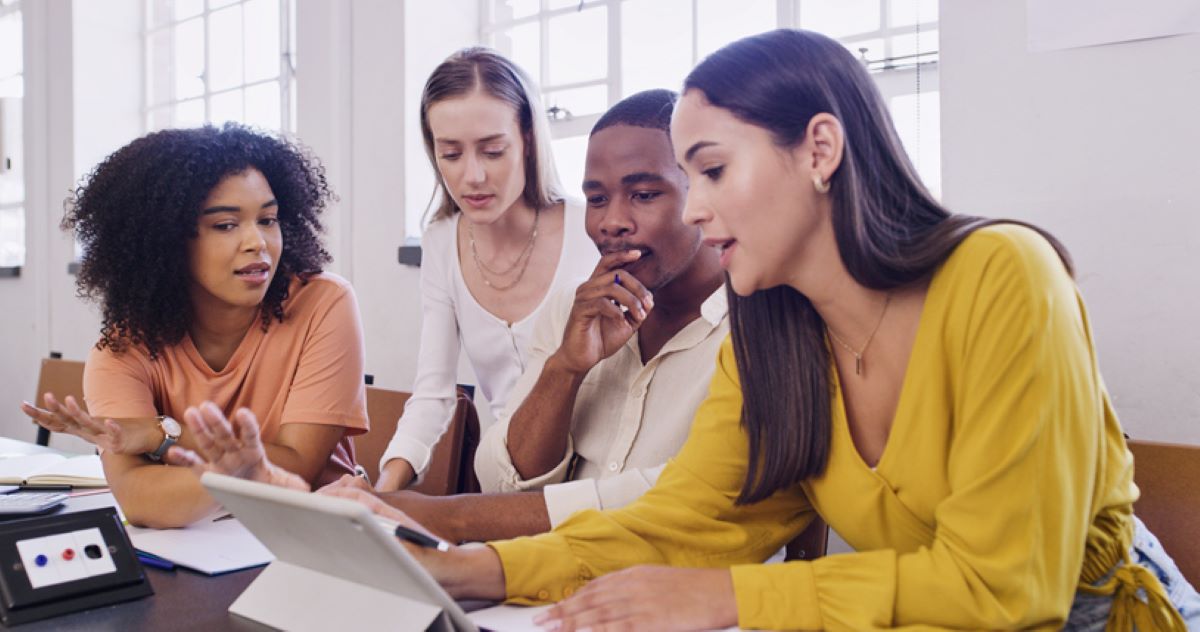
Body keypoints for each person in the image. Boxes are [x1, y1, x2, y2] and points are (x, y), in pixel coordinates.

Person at [325, 30, 1199, 630]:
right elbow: (689, 519)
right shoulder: (773, 326)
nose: (693, 209)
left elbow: (1012, 589)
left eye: (709, 170)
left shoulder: (1003, 275)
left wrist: (726, 599)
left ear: (820, 150)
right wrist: (475, 572)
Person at [327, 89, 727, 543]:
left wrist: (441, 516)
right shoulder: (572, 312)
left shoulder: (755, 332)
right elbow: (499, 478)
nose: (612, 221)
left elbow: (675, 501)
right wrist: (565, 368)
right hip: (538, 570)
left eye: (644, 194)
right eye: (596, 199)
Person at [21, 124, 367, 529]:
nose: (258, 242)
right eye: (225, 225)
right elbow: (140, 500)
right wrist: (242, 477)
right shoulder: (122, 351)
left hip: (319, 540)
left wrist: (158, 436)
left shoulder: (323, 304)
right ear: (165, 241)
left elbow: (297, 468)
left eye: (268, 219)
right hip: (203, 557)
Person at [375, 47, 597, 492]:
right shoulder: (441, 240)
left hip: (591, 488)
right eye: (451, 154)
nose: (472, 176)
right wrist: (381, 493)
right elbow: (433, 396)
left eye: (492, 151)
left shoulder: (591, 228)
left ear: (529, 140)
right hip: (503, 486)